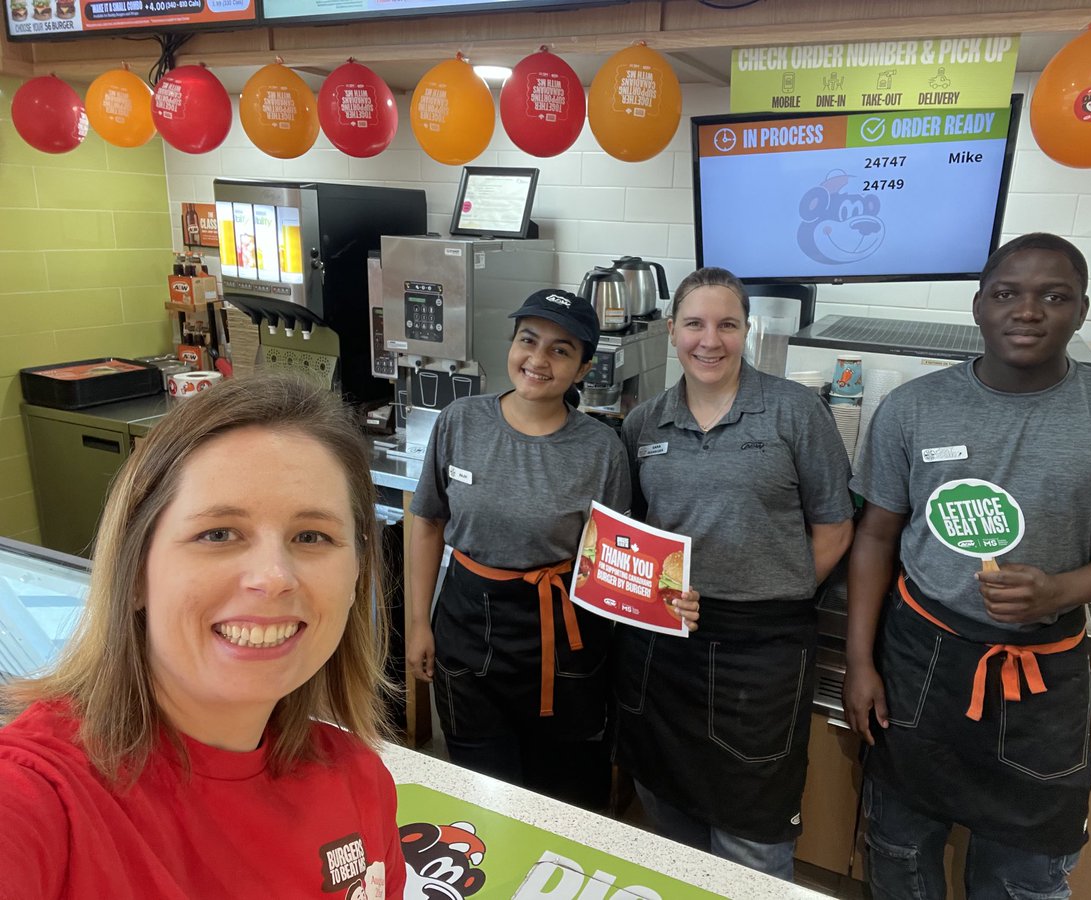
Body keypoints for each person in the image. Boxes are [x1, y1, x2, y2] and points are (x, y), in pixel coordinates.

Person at [844, 233, 1091, 899]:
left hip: (1042, 678)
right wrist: (860, 663)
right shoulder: (914, 408)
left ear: (1081, 310)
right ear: (979, 305)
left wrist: (1060, 590)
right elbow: (876, 537)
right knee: (898, 848)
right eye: (1007, 293)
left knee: (1024, 875)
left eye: (1053, 296)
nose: (1028, 310)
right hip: (918, 662)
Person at [0, 373, 405, 898]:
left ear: (356, 576)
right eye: (218, 534)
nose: (274, 578)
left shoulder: (360, 780)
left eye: (312, 536)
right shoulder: (40, 795)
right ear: (135, 572)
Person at [405, 289, 699, 811]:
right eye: (528, 340)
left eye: (560, 350)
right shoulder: (461, 421)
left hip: (565, 638)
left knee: (565, 801)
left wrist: (667, 595)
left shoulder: (601, 449)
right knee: (481, 797)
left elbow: (619, 557)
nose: (538, 359)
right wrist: (417, 624)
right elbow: (427, 521)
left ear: (583, 368)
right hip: (467, 626)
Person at [615, 266, 854, 879]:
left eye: (727, 325)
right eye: (695, 324)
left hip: (763, 652)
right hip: (665, 649)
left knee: (752, 836)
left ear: (747, 331)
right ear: (672, 330)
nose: (710, 340)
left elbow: (834, 528)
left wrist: (771, 589)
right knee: (669, 814)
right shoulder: (644, 424)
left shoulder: (794, 411)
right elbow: (635, 536)